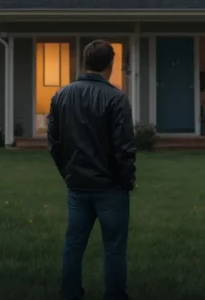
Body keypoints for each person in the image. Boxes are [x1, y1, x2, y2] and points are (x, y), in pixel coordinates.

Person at [48, 39, 138, 300]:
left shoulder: (61, 96)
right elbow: (124, 147)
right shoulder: (116, 98)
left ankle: (70, 293)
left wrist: (68, 173)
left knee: (74, 244)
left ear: (84, 62)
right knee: (114, 247)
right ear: (110, 65)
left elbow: (54, 144)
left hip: (77, 186)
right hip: (110, 188)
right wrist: (127, 180)